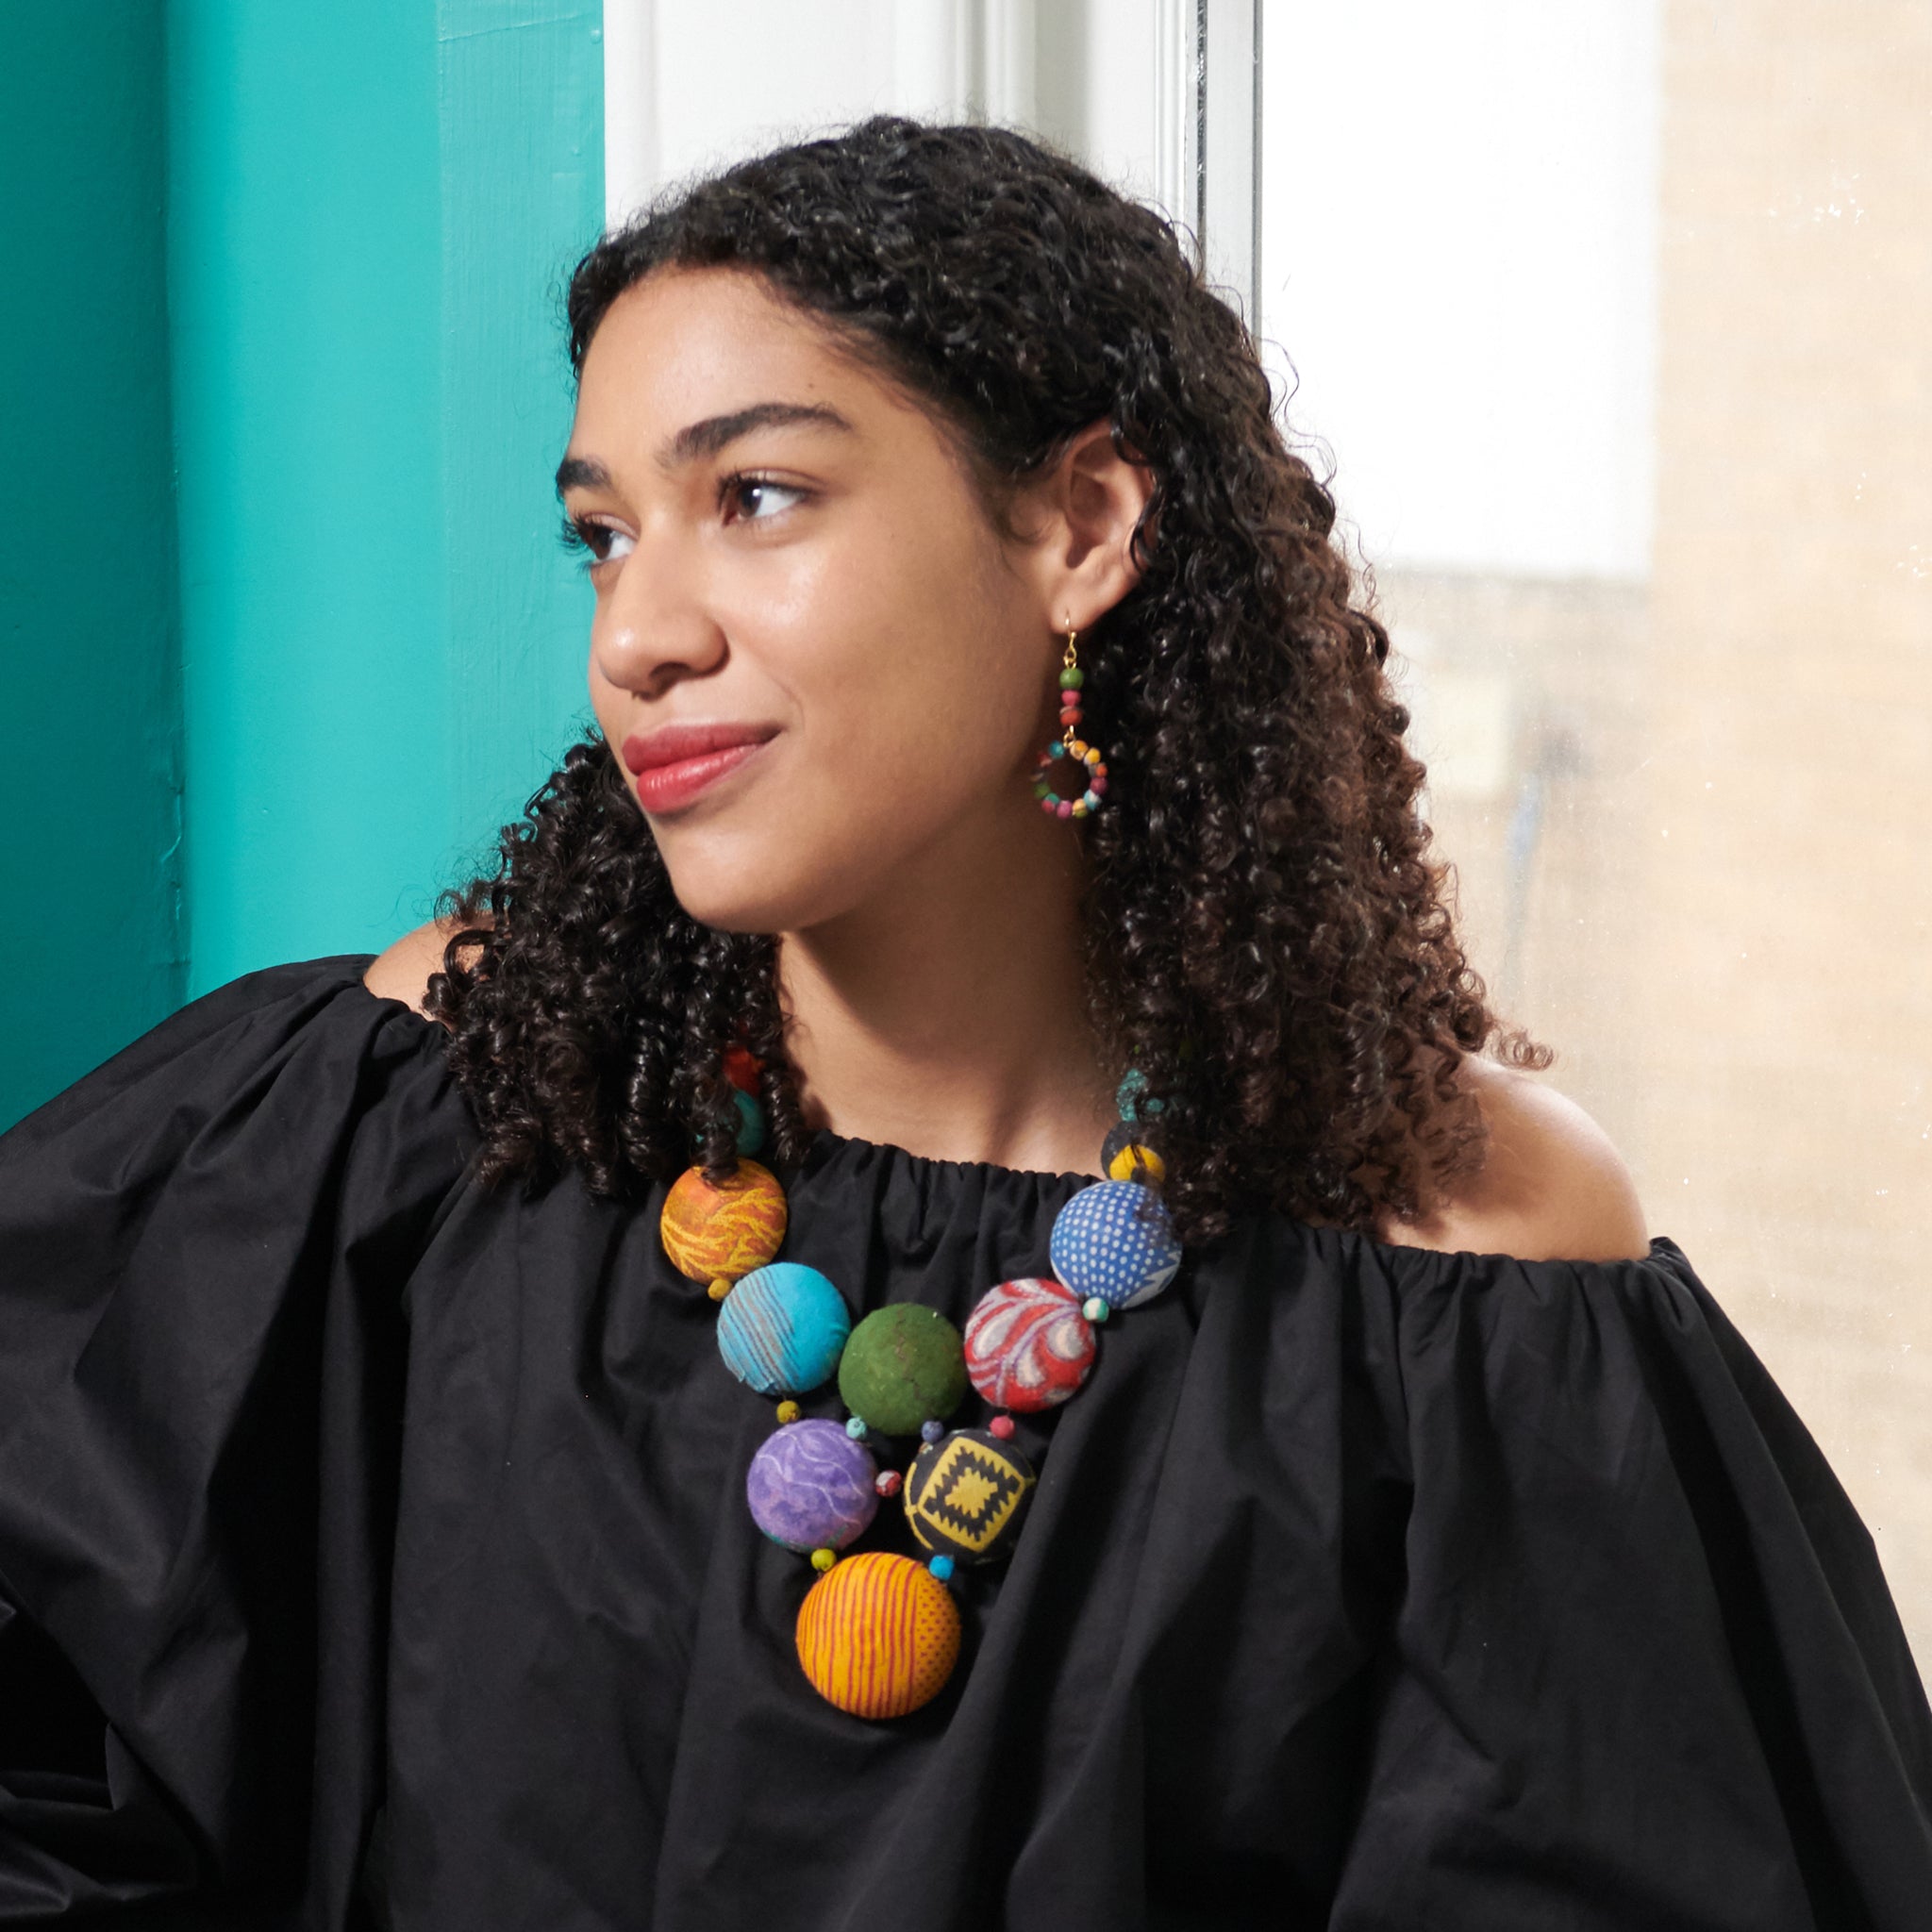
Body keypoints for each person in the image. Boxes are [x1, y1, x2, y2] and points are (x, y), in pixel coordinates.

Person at [1, 115, 1926, 1930]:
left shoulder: (1466, 1277)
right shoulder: (443, 1101)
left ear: (1078, 525)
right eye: (605, 531)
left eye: (754, 497)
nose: (636, 632)